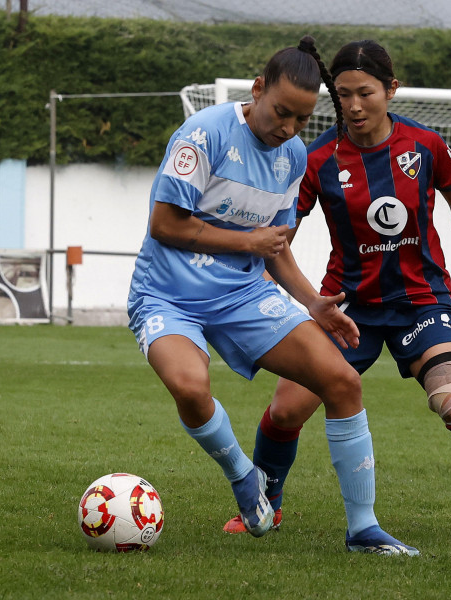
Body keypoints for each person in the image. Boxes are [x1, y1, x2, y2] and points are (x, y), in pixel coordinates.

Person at [223, 39, 451, 542]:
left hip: (421, 301)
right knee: (285, 409)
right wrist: (270, 274)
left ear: (391, 90)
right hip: (346, 310)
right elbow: (284, 232)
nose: (354, 105)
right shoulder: (318, 157)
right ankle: (265, 507)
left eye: (365, 93)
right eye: (344, 94)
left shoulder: (426, 145)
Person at [127, 36, 419, 555]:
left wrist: (314, 303)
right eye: (281, 112)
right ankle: (244, 477)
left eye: (302, 120)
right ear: (258, 89)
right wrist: (248, 242)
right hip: (167, 296)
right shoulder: (203, 134)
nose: (287, 128)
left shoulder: (292, 156)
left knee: (342, 380)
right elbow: (164, 223)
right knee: (192, 389)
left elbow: (276, 248)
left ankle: (363, 528)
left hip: (241, 293)